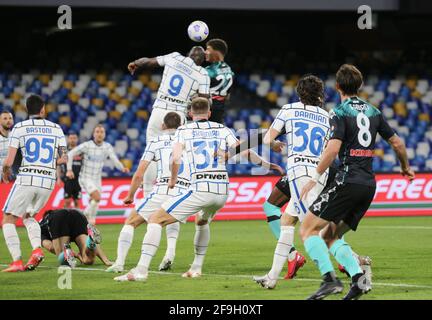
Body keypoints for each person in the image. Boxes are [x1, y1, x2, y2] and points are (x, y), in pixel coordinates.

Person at [113, 97, 283, 282]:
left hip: (201, 188)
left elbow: (175, 158)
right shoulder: (221, 129)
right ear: (209, 113)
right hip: (222, 190)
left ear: (189, 113)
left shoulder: (183, 130)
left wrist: (173, 179)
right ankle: (196, 267)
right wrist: (268, 165)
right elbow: (245, 151)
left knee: (155, 219)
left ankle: (141, 270)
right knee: (202, 222)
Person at [299, 64, 415, 300]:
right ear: (360, 86)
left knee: (308, 229)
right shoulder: (374, 111)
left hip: (347, 180)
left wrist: (313, 178)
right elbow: (398, 144)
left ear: (338, 86)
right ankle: (358, 281)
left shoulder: (339, 112)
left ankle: (329, 280)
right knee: (330, 236)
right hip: (368, 185)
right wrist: (405, 167)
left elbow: (332, 150)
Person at [106, 112, 189, 273]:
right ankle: (170, 254)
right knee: (168, 220)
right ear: (180, 126)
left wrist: (130, 195)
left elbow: (139, 173)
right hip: (186, 192)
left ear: (163, 126)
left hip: (165, 187)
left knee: (132, 221)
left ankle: (119, 263)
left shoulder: (155, 141)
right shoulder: (188, 141)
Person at [127, 46, 210, 197]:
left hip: (158, 111)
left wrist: (136, 63)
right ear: (202, 61)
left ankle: (147, 194)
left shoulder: (174, 57)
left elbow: (149, 62)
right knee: (177, 154)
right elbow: (203, 101)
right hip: (178, 114)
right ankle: (174, 193)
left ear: (188, 54)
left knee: (151, 153)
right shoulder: (202, 74)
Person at [2, 94, 67, 272]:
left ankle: (16, 261)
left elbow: (9, 161)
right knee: (29, 217)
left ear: (26, 109)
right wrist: (48, 163)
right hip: (48, 181)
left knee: (8, 218)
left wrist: (5, 173)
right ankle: (37, 250)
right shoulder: (56, 128)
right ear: (43, 109)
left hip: (27, 178)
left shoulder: (19, 128)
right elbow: (64, 158)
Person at [66, 125, 130, 225]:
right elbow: (70, 154)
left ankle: (91, 221)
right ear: (93, 134)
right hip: (85, 177)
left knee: (96, 201)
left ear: (104, 134)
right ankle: (85, 213)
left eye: (101, 132)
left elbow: (114, 159)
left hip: (97, 179)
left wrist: (122, 167)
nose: (99, 134)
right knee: (97, 197)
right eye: (97, 132)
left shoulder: (107, 146)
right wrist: (69, 170)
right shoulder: (87, 145)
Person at [40, 208, 111, 267]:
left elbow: (50, 247)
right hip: (77, 215)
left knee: (64, 257)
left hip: (59, 217)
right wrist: (105, 260)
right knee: (88, 260)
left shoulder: (40, 228)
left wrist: (75, 255)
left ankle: (71, 254)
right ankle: (90, 243)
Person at [205, 39, 234, 123]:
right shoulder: (230, 71)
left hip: (206, 115)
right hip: (220, 117)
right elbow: (227, 96)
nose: (205, 52)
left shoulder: (208, 71)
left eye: (208, 49)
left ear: (216, 52)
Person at [58, 132, 82, 208]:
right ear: (68, 139)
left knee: (77, 202)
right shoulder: (64, 152)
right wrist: (58, 178)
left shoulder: (81, 151)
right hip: (68, 180)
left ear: (77, 139)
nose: (72, 140)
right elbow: (59, 165)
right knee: (67, 201)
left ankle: (77, 219)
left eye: (74, 138)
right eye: (71, 138)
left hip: (79, 180)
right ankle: (65, 217)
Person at [0, 110, 14, 181]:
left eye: (10, 118)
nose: (8, 120)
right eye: (5, 118)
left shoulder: (16, 136)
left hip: (11, 175)